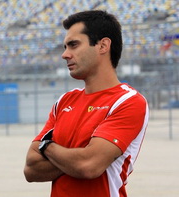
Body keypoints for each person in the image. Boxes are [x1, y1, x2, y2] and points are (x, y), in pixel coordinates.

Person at [24, 10, 149, 197]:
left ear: (103, 46)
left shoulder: (128, 101)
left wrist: (46, 146)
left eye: (73, 45)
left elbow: (88, 166)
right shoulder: (64, 101)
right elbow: (31, 169)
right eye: (65, 47)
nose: (65, 54)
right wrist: (77, 157)